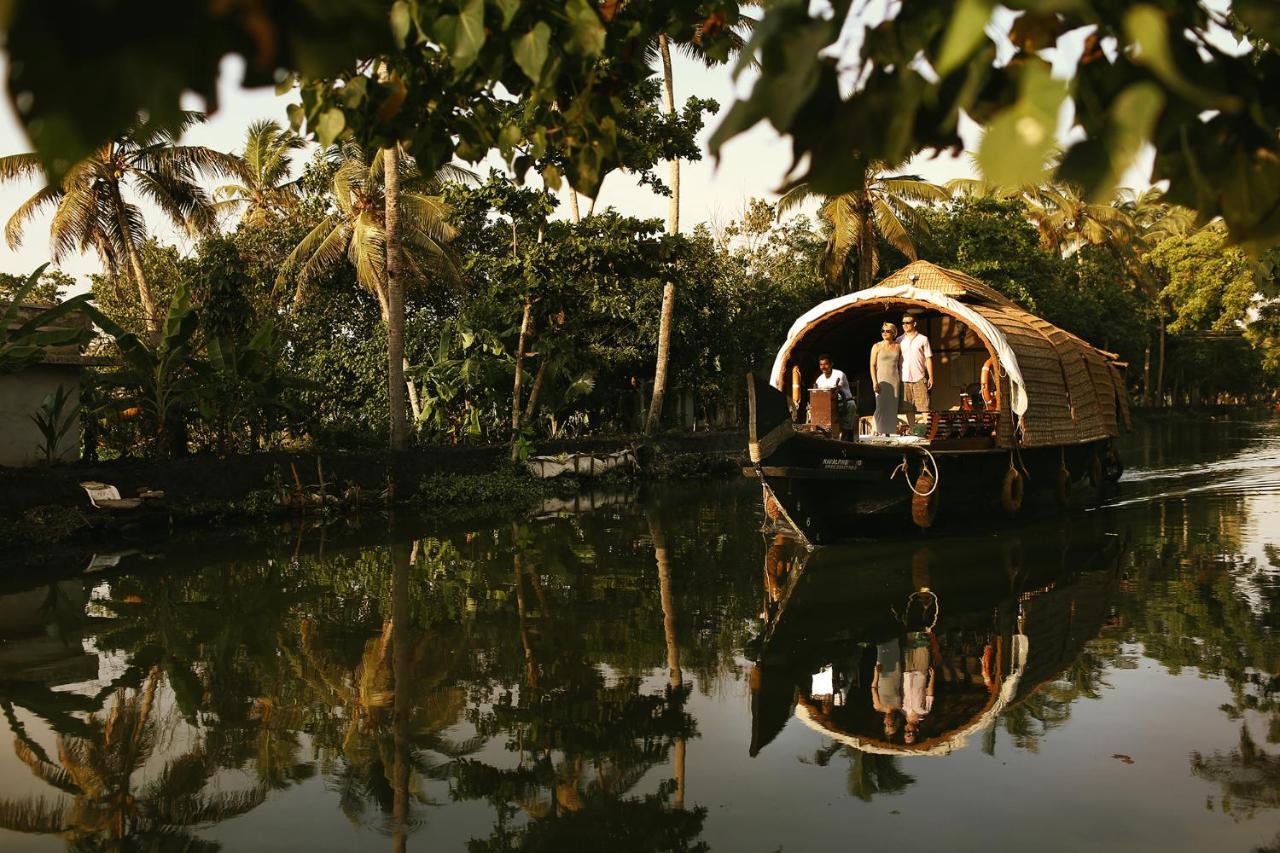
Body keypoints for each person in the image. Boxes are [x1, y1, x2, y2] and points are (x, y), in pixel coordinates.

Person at [897, 314, 933, 427]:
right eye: (903, 323)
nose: (905, 325)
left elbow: (928, 358)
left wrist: (931, 376)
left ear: (914, 323)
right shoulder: (899, 340)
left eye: (908, 322)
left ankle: (928, 430)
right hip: (904, 377)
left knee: (924, 407)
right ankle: (912, 430)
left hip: (919, 376)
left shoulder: (923, 339)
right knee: (908, 407)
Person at [868, 322, 902, 435]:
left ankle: (889, 432)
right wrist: (874, 382)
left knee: (892, 407)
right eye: (883, 331)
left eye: (887, 331)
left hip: (894, 378)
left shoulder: (898, 346)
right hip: (881, 378)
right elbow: (872, 365)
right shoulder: (876, 346)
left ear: (893, 333)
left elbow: (901, 363)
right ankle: (875, 430)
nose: (884, 333)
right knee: (880, 406)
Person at [813, 353, 853, 428]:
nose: (823, 367)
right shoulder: (819, 379)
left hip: (843, 402)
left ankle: (847, 432)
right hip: (827, 405)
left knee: (851, 405)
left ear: (831, 364)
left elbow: (836, 390)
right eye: (821, 365)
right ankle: (824, 431)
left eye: (826, 364)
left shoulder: (839, 374)